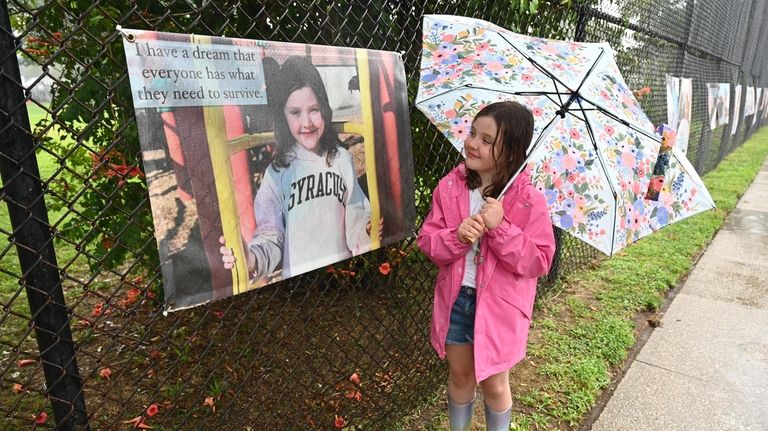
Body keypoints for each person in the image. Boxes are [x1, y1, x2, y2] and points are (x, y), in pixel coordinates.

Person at [416, 101, 556, 431]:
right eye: (473, 133)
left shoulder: (527, 200)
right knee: (461, 376)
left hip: (500, 309)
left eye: (487, 140)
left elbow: (539, 260)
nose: (472, 143)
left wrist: (502, 227)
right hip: (457, 301)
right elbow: (428, 241)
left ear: (510, 152)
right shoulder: (450, 188)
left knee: (494, 385)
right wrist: (457, 236)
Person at [220, 56, 373, 280]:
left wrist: (368, 231)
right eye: (295, 113)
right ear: (283, 115)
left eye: (314, 109)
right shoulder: (277, 173)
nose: (306, 123)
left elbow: (356, 222)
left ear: (324, 107)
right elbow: (271, 236)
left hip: (341, 279)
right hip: (298, 287)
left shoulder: (341, 160)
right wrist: (250, 258)